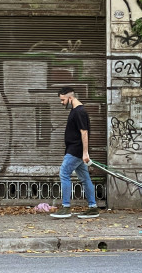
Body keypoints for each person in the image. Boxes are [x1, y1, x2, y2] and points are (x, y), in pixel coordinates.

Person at [50, 87, 100, 219]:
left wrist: (85, 153)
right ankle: (93, 207)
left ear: (70, 98)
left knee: (64, 173)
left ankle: (66, 207)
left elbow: (84, 132)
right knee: (85, 178)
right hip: (76, 150)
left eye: (63, 100)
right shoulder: (75, 110)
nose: (62, 102)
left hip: (75, 150)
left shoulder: (79, 112)